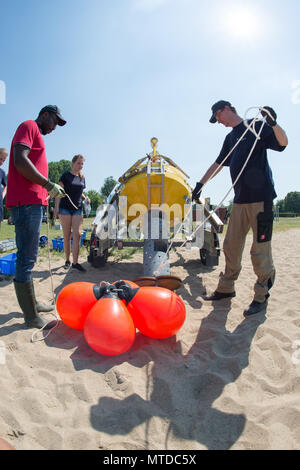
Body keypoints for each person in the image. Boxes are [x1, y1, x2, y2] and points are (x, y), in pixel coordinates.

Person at [192, 100, 288, 316]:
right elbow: (218, 163)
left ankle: (261, 296)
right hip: (239, 201)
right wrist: (200, 184)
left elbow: (282, 144)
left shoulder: (257, 125)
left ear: (226, 109)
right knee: (231, 246)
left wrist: (273, 124)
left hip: (261, 200)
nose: (219, 122)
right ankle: (226, 289)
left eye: (217, 116)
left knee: (260, 252)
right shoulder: (230, 138)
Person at [6, 105, 67, 328]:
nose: (54, 128)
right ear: (44, 115)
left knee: (29, 257)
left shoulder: (34, 131)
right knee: (27, 258)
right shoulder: (29, 126)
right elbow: (20, 160)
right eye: (54, 122)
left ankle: (32, 305)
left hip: (33, 202)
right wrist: (47, 184)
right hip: (26, 203)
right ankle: (31, 317)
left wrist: (45, 191)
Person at [54, 154, 87, 272]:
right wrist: (56, 208)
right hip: (65, 209)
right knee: (67, 235)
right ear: (73, 163)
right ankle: (67, 260)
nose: (80, 166)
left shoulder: (82, 178)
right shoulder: (65, 176)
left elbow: (79, 192)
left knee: (77, 234)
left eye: (82, 163)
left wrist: (85, 198)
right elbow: (58, 192)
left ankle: (75, 262)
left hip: (78, 208)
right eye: (78, 163)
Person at [0, 148, 8, 282]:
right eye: (0, 159)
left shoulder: (2, 172)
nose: (2, 162)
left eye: (4, 160)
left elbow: (6, 186)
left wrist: (3, 195)